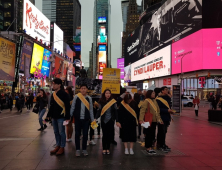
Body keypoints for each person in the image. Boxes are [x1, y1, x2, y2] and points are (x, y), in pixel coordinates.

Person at [70, 84, 95, 157]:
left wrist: (92, 119)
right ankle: (77, 149)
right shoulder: (76, 97)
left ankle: (84, 149)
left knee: (85, 134)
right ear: (80, 89)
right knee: (77, 134)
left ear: (87, 90)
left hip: (86, 120)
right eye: (82, 88)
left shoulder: (89, 98)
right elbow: (73, 107)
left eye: (85, 88)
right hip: (77, 119)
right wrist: (70, 116)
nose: (83, 89)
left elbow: (91, 110)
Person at [47, 78, 71, 156]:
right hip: (54, 117)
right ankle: (58, 145)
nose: (53, 85)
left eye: (54, 84)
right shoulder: (53, 94)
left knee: (61, 132)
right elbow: (51, 106)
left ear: (59, 85)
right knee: (56, 132)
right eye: (53, 84)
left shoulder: (64, 94)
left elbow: (67, 106)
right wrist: (48, 115)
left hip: (61, 116)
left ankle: (62, 147)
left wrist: (68, 117)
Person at [139, 90, 163, 154]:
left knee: (152, 135)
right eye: (152, 93)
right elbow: (142, 110)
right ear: (149, 94)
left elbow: (157, 111)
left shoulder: (154, 101)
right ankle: (148, 147)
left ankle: (150, 147)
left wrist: (159, 120)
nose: (154, 94)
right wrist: (141, 119)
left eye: (154, 93)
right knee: (148, 134)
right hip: (148, 120)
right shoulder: (146, 101)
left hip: (154, 121)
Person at [96, 89, 118, 155]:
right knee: (104, 135)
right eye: (106, 93)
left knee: (109, 135)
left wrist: (117, 120)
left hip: (110, 121)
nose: (108, 94)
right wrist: (95, 118)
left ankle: (108, 148)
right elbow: (99, 111)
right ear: (104, 94)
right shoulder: (101, 102)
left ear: (110, 94)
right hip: (103, 121)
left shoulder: (113, 102)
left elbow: (116, 111)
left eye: (109, 93)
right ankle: (104, 148)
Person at [156, 86, 173, 153]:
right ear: (162, 91)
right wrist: (167, 110)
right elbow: (158, 109)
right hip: (161, 117)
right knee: (161, 131)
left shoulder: (168, 98)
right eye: (165, 89)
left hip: (167, 117)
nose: (167, 91)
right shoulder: (159, 99)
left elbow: (169, 106)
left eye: (167, 89)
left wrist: (170, 110)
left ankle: (163, 144)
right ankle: (160, 144)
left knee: (165, 131)